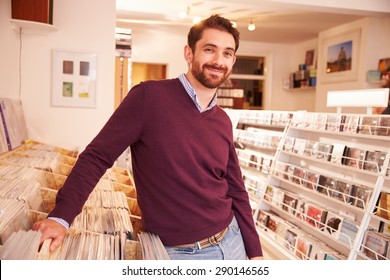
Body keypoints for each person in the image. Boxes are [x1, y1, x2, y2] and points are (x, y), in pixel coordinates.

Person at [33, 14, 263, 260]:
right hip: (180, 254)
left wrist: (254, 251)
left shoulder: (223, 121)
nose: (218, 61)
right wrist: (62, 216)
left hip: (232, 241)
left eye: (227, 53)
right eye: (209, 49)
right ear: (188, 53)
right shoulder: (148, 97)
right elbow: (97, 157)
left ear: (233, 60)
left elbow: (236, 188)